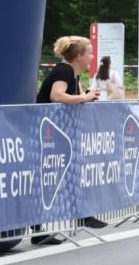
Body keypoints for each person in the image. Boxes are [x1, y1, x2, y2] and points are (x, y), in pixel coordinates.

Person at [34, 36, 106, 245]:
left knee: (69, 175)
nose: (93, 57)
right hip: (47, 135)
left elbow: (74, 97)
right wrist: (84, 98)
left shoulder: (73, 75)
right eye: (90, 52)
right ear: (79, 56)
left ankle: (80, 214)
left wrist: (88, 96)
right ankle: (38, 229)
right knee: (47, 181)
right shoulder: (64, 70)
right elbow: (57, 96)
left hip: (59, 136)